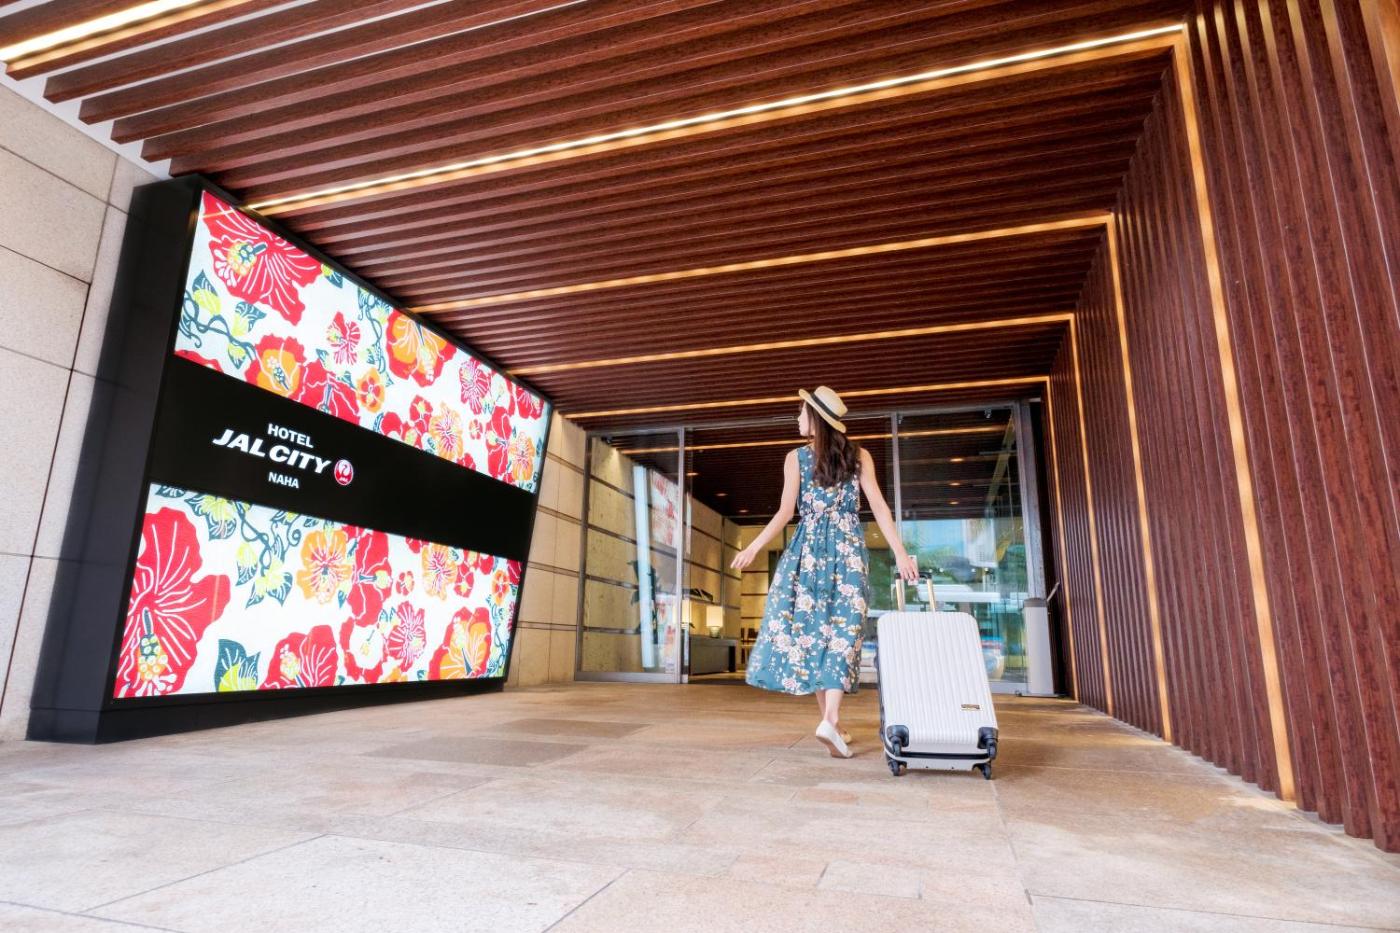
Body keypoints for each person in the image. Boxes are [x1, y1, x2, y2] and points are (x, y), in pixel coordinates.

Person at [731, 386, 918, 758]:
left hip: (808, 555)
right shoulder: (859, 455)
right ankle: (831, 722)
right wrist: (900, 553)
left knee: (815, 634)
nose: (797, 419)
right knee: (842, 634)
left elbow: (785, 513)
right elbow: (879, 507)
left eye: (801, 413)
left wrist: (754, 547)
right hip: (848, 553)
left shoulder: (795, 458)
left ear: (815, 419)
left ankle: (830, 721)